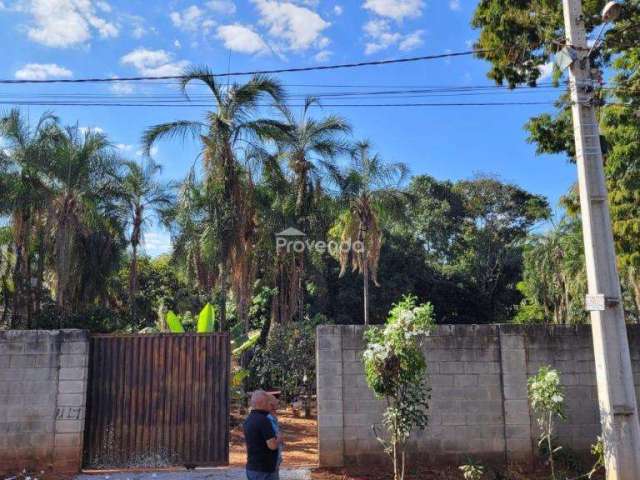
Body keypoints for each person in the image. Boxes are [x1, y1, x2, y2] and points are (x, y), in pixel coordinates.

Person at [243, 390, 283, 480]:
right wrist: (279, 439)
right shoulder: (264, 420)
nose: (270, 405)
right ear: (263, 403)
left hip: (252, 468)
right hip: (265, 470)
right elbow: (272, 445)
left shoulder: (248, 419)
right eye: (269, 402)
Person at [267, 394, 283, 477]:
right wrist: (279, 439)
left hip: (275, 459)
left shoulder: (273, 418)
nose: (276, 409)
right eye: (274, 407)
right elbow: (272, 442)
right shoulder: (267, 420)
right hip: (269, 462)